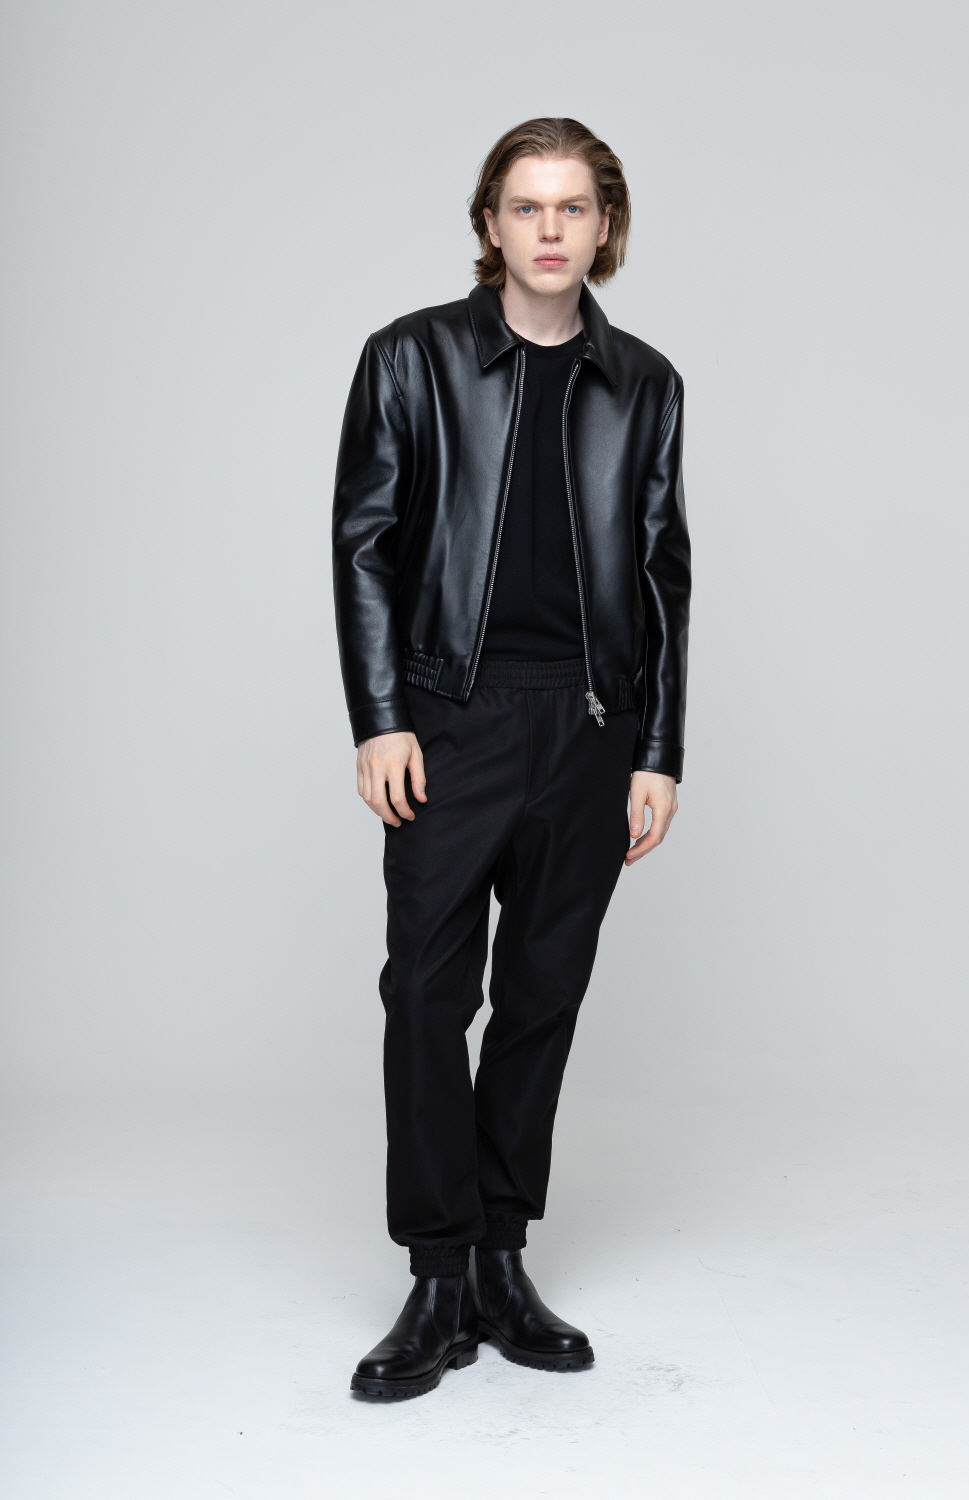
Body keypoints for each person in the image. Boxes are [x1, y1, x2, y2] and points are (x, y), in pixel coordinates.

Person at [333, 117, 690, 1399]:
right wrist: (381, 716)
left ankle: (499, 1256)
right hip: (449, 721)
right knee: (428, 993)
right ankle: (435, 1274)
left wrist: (658, 749)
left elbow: (663, 573)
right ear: (490, 223)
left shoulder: (645, 382)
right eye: (527, 206)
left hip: (589, 734)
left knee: (541, 997)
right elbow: (364, 544)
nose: (550, 229)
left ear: (606, 226)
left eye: (573, 207)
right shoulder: (411, 357)